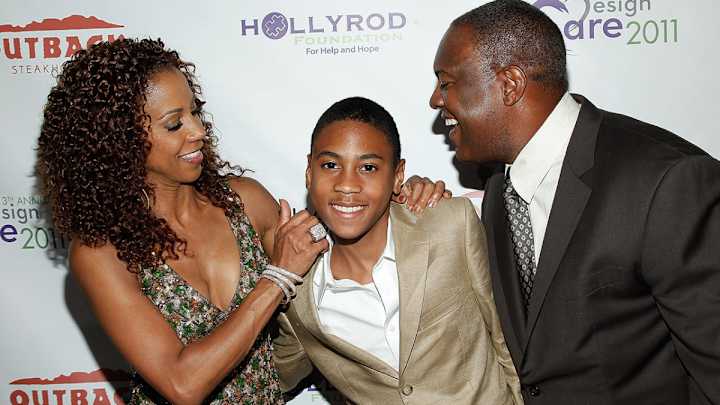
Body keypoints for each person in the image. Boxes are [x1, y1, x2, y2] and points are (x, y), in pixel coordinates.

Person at [37, 38, 442, 405]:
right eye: (175, 123)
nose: (198, 130)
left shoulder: (243, 201)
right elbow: (182, 385)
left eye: (195, 112)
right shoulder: (101, 253)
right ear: (121, 139)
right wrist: (276, 278)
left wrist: (398, 198)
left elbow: (336, 253)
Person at [429, 1, 720, 404]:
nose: (435, 100)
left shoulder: (666, 180)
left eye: (445, 83)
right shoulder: (499, 189)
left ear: (510, 84)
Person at [273, 97, 522, 404]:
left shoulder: (450, 225)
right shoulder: (299, 295)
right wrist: (272, 282)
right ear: (309, 172)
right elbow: (270, 380)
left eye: (368, 167)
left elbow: (506, 337)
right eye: (330, 165)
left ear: (397, 176)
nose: (347, 184)